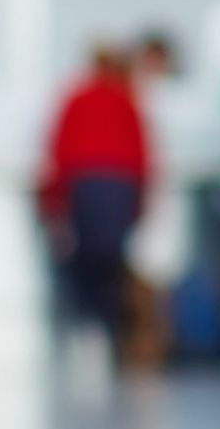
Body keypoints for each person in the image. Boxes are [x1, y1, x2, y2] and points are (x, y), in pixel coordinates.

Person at [39, 42, 153, 358]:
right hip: (119, 184)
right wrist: (143, 198)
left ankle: (88, 325)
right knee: (113, 257)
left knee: (87, 255)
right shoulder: (127, 98)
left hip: (84, 183)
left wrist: (54, 198)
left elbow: (59, 147)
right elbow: (142, 151)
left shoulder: (76, 96)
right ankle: (110, 326)